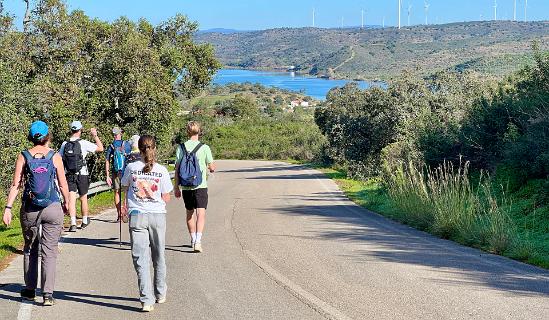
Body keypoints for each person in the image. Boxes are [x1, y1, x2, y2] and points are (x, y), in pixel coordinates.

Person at [2, 121, 70, 306]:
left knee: (30, 248)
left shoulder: (23, 156)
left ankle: (30, 290)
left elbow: (16, 184)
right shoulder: (54, 156)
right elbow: (63, 184)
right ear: (47, 136)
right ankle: (48, 295)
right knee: (49, 251)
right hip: (52, 207)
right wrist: (68, 205)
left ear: (31, 137)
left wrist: (7, 208)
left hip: (30, 208)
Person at [121, 135, 173, 312]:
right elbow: (166, 197)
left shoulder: (131, 168)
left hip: (137, 215)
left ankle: (146, 300)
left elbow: (124, 187)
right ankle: (160, 292)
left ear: (139, 148)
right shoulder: (162, 170)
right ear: (154, 148)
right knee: (159, 256)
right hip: (157, 216)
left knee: (140, 259)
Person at [174, 121, 215, 253]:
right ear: (199, 131)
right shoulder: (204, 147)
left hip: (186, 187)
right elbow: (212, 167)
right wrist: (210, 167)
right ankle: (198, 241)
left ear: (187, 132)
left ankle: (192, 239)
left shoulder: (181, 147)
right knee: (201, 213)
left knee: (189, 213)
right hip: (200, 185)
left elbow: (177, 168)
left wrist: (176, 187)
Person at [59, 121, 104, 232]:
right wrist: (95, 136)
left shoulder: (65, 144)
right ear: (80, 130)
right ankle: (84, 221)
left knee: (71, 200)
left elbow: (59, 159)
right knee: (83, 198)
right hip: (82, 174)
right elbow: (101, 148)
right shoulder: (83, 143)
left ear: (71, 130)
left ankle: (73, 224)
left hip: (69, 175)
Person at [105, 127, 131, 221]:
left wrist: (107, 175)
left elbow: (107, 160)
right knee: (126, 192)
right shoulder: (127, 144)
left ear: (113, 134)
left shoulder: (111, 146)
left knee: (117, 192)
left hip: (116, 172)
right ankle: (125, 212)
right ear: (120, 134)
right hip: (126, 172)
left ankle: (119, 214)